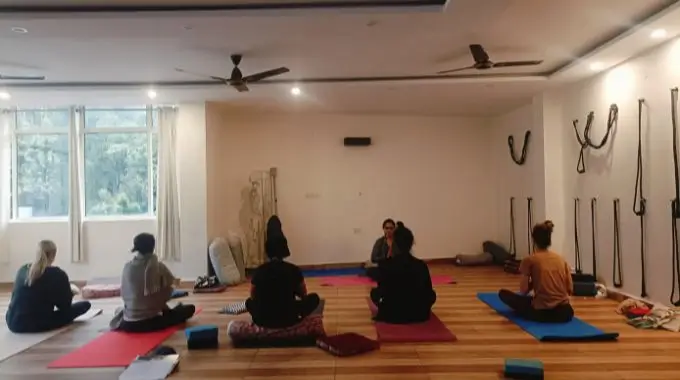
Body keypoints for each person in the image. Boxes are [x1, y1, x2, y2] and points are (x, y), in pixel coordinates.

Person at [246, 215, 321, 328]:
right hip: (289, 318)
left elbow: (252, 296)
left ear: (268, 251)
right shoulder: (294, 270)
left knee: (248, 303)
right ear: (285, 250)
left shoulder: (259, 271)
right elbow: (304, 295)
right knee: (314, 298)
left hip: (263, 319)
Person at [112, 233, 196, 332]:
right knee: (189, 309)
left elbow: (124, 294)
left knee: (119, 310)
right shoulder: (159, 267)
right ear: (153, 247)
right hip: (151, 321)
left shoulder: (127, 267)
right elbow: (167, 294)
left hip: (128, 323)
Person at [5, 240, 91, 333]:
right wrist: (71, 292)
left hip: (12, 322)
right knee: (85, 305)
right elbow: (65, 307)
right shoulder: (58, 274)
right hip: (36, 323)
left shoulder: (23, 269)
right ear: (53, 255)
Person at [497, 220, 574, 323]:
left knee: (503, 294)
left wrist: (533, 283)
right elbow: (570, 289)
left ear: (534, 240)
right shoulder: (561, 259)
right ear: (549, 240)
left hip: (541, 313)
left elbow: (523, 291)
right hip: (565, 313)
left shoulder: (529, 260)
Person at [370, 221, 436, 324]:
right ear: (411, 244)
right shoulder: (421, 265)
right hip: (419, 314)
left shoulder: (387, 265)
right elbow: (429, 293)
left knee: (374, 292)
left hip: (393, 314)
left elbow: (381, 290)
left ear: (394, 244)